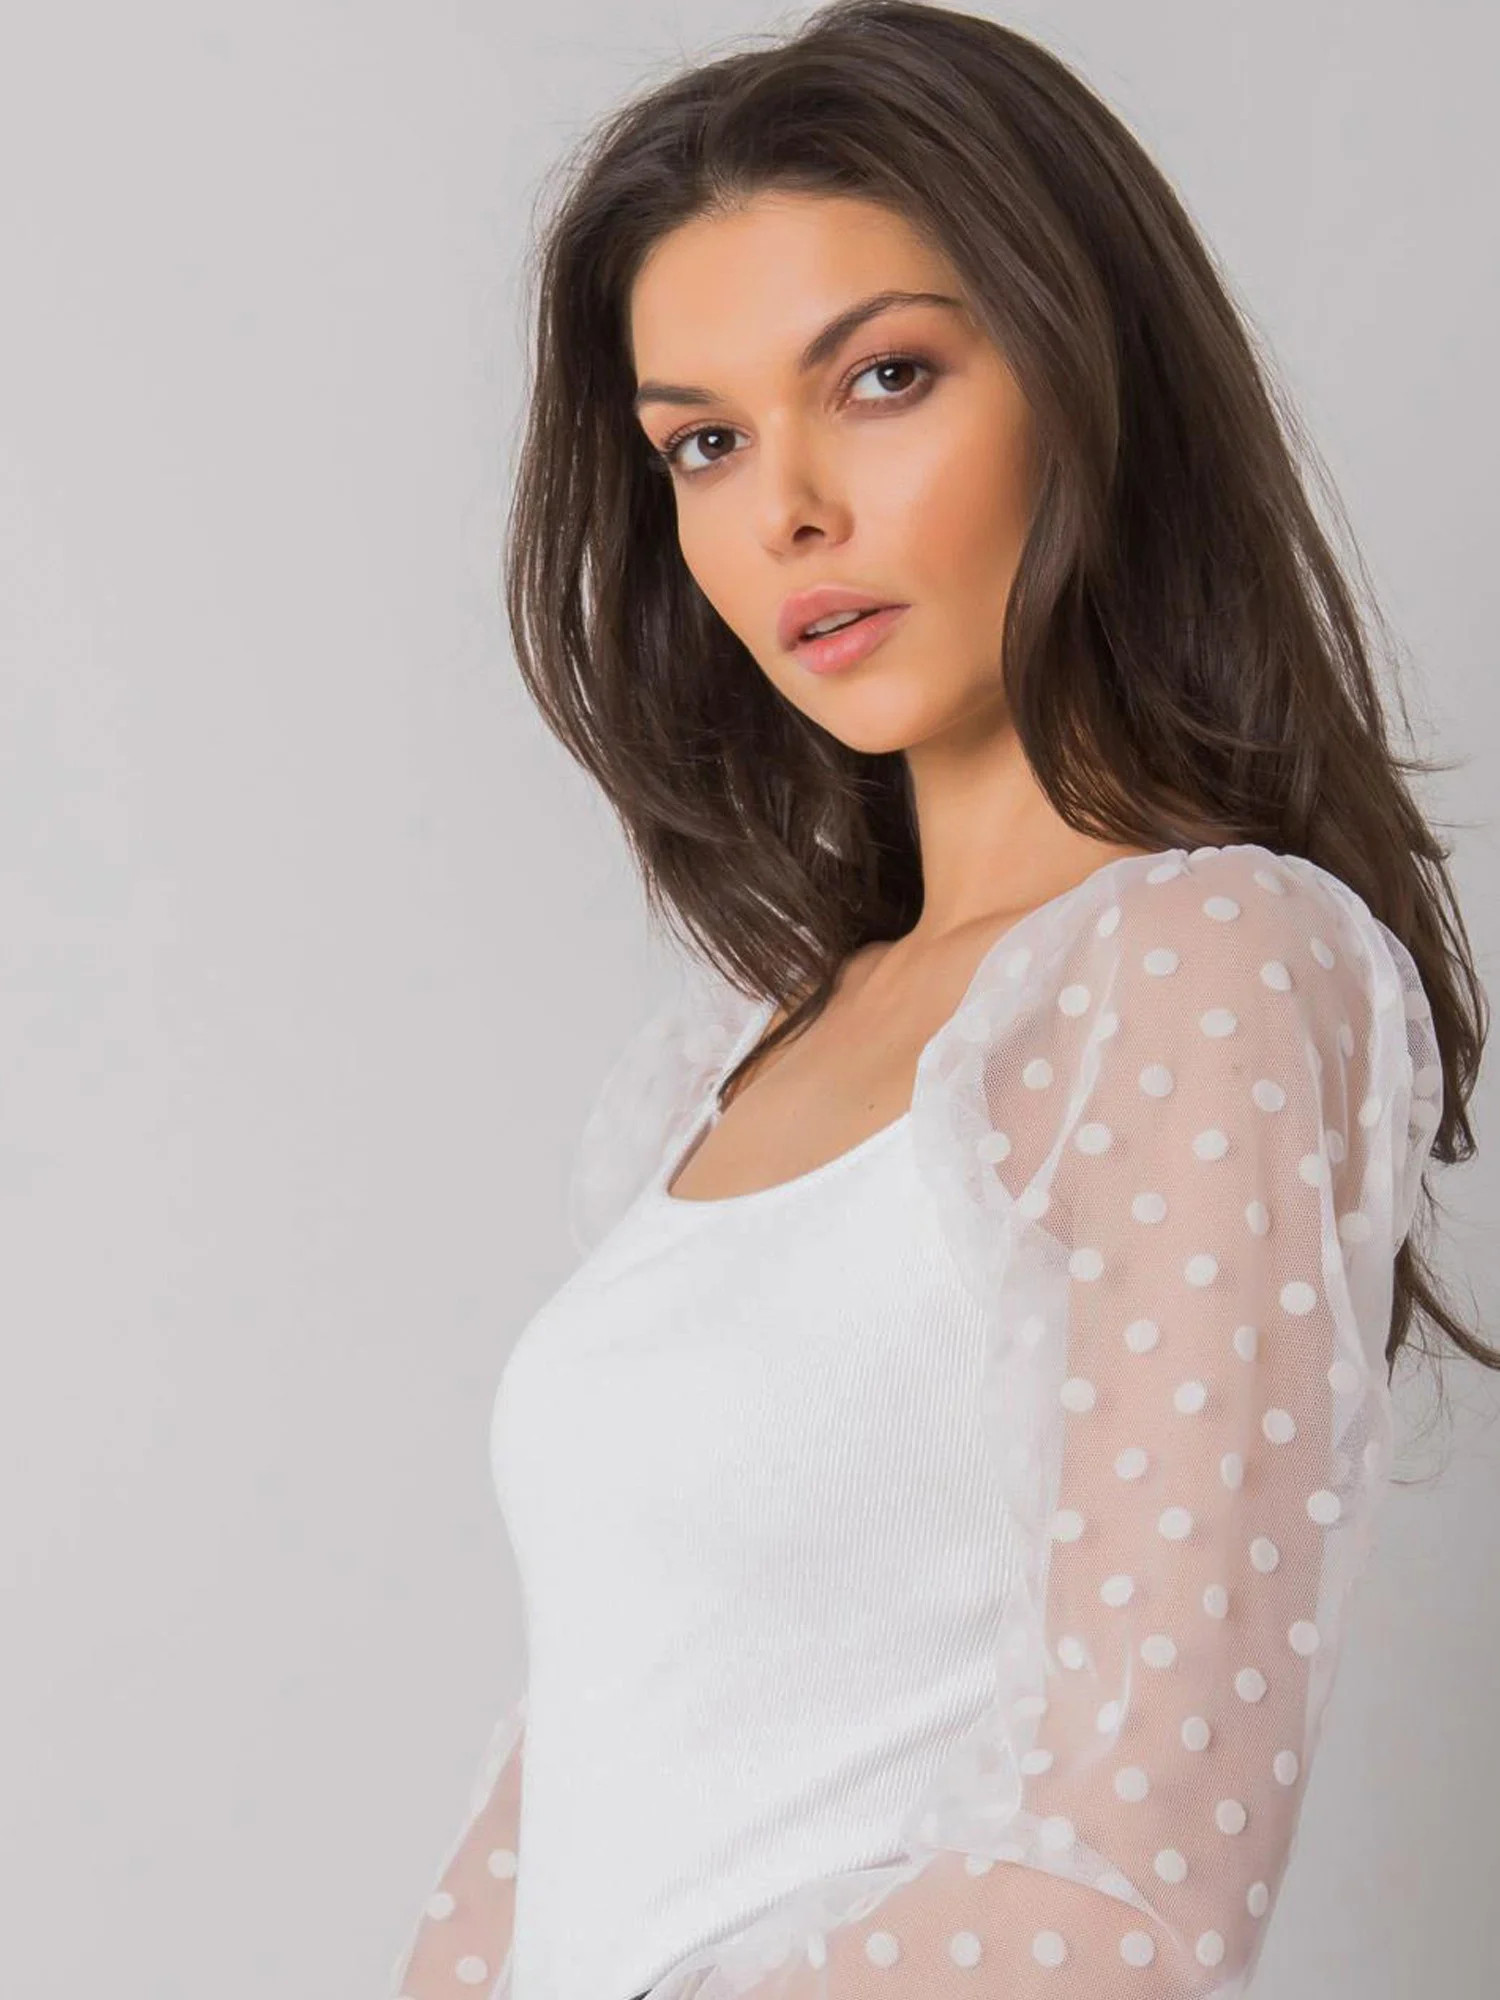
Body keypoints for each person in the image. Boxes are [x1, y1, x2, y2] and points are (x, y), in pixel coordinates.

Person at [384, 3, 1490, 1996]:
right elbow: (584, 1781)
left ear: (1088, 375)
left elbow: (1129, 1896)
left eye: (883, 377)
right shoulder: (732, 1055)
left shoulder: (1205, 968)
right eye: (704, 442)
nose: (786, 509)